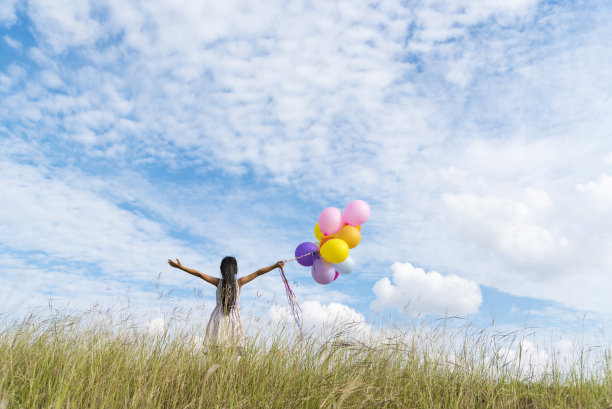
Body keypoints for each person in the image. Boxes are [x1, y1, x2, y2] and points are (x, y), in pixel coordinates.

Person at [168, 256, 285, 356]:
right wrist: (275, 266)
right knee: (232, 353)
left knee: (216, 351)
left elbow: (199, 274)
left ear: (221, 270)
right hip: (234, 320)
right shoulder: (239, 283)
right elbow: (258, 272)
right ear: (236, 269)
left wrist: (181, 267)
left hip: (218, 318)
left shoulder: (217, 282)